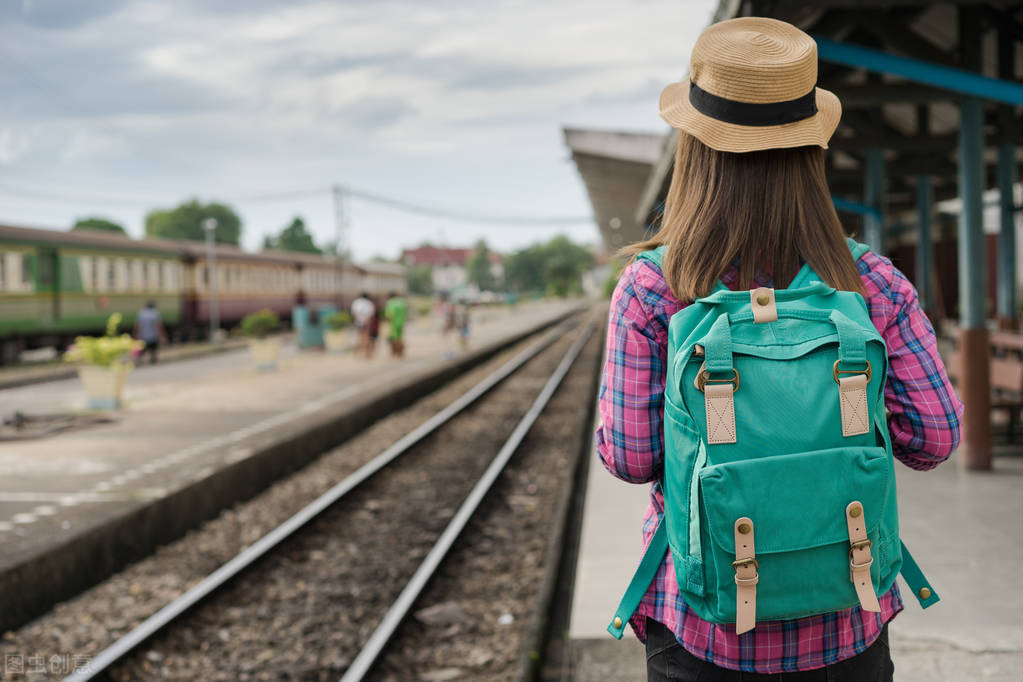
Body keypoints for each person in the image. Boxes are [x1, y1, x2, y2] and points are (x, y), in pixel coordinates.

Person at [596, 17, 963, 682]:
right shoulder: (868, 281)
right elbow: (933, 438)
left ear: (696, 148)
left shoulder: (653, 288)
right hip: (845, 622)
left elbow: (629, 457)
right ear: (808, 148)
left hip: (702, 627)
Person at [350, 291, 375, 358]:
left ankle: (356, 354)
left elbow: (354, 313)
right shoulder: (369, 303)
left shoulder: (356, 302)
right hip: (366, 322)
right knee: (366, 338)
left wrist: (358, 320)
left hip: (358, 322)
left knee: (358, 337)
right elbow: (370, 315)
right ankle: (367, 354)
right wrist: (366, 322)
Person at [384, 291, 408, 358]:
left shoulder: (390, 303)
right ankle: (402, 352)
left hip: (394, 323)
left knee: (395, 339)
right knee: (400, 338)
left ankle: (397, 353)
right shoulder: (401, 302)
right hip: (401, 322)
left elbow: (389, 315)